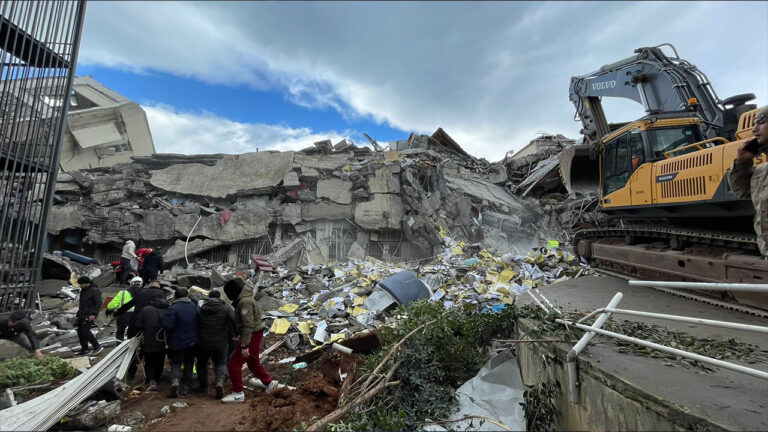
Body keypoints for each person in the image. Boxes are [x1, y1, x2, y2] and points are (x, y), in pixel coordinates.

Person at [221, 278, 277, 403]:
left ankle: (238, 393)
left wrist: (245, 345)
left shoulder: (244, 302)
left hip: (252, 335)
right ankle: (269, 383)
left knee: (233, 364)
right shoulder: (245, 298)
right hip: (254, 334)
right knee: (253, 362)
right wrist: (241, 336)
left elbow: (248, 324)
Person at [728, 106, 768, 257]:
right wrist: (742, 163)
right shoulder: (762, 171)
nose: (754, 130)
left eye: (761, 122)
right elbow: (743, 192)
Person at [115, 280, 167, 380]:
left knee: (132, 350)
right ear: (159, 286)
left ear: (149, 286)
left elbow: (128, 305)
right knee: (154, 350)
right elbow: (163, 307)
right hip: (153, 326)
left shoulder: (141, 293)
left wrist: (117, 313)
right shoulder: (161, 294)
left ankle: (131, 373)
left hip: (135, 325)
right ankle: (155, 375)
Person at [195, 290, 235, 399]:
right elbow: (235, 320)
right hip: (221, 342)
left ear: (209, 297)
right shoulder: (226, 308)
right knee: (221, 363)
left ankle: (203, 387)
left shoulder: (201, 309)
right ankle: (220, 382)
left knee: (201, 364)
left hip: (203, 342)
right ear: (220, 297)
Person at [163, 287, 198, 398]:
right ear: (187, 296)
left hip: (176, 342)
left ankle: (175, 382)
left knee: (176, 363)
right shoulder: (194, 307)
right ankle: (186, 387)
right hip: (192, 342)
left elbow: (168, 325)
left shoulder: (173, 308)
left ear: (175, 296)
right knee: (188, 363)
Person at [134, 296, 169, 391]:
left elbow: (138, 325)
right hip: (163, 341)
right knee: (160, 360)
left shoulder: (146, 309)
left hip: (149, 340)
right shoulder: (168, 310)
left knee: (149, 362)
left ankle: (151, 380)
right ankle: (157, 377)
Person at [74, 276, 103, 356]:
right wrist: (77, 315)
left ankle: (97, 346)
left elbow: (98, 303)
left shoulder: (95, 290)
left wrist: (93, 314)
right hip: (82, 314)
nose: (80, 285)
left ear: (87, 283)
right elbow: (82, 305)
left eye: (81, 284)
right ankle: (84, 349)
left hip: (89, 314)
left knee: (85, 331)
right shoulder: (83, 290)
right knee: (80, 332)